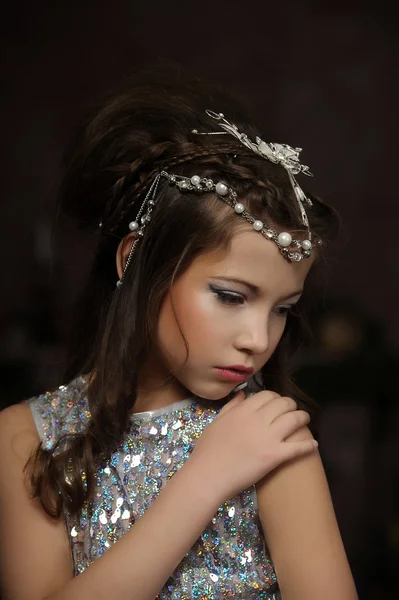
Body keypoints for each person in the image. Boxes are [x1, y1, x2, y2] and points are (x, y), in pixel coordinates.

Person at [0, 69, 359, 600]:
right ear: (136, 259)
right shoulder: (26, 437)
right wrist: (206, 477)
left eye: (283, 309)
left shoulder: (270, 437)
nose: (259, 339)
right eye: (231, 297)